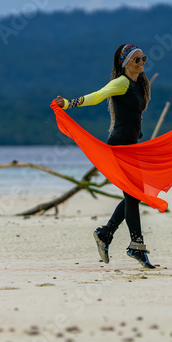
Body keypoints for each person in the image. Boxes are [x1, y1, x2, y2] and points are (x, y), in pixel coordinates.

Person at [53, 43, 156, 269]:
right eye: (137, 59)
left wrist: (138, 132)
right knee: (133, 194)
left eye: (144, 59)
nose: (142, 63)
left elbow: (132, 115)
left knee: (134, 195)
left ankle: (106, 233)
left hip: (131, 147)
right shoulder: (121, 82)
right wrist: (68, 104)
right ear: (125, 63)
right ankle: (136, 245)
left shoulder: (139, 85)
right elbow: (98, 96)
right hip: (119, 146)